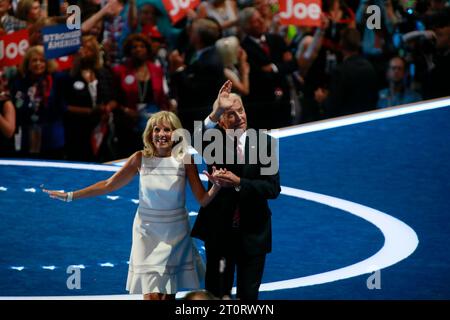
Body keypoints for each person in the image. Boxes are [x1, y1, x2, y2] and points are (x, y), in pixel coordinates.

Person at [43, 111, 223, 300]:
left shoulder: (186, 160)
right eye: (157, 129)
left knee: (167, 295)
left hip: (175, 234)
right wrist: (71, 195)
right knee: (151, 296)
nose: (161, 134)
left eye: (167, 130)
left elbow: (202, 199)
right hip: (146, 233)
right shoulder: (139, 158)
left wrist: (216, 187)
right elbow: (108, 185)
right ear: (150, 133)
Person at [191, 80, 281, 300]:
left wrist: (239, 181)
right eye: (230, 114)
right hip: (220, 234)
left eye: (241, 110)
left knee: (248, 297)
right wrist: (214, 111)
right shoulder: (213, 142)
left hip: (254, 233)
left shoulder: (265, 144)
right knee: (216, 293)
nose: (240, 117)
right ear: (221, 121)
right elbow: (195, 138)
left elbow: (272, 188)